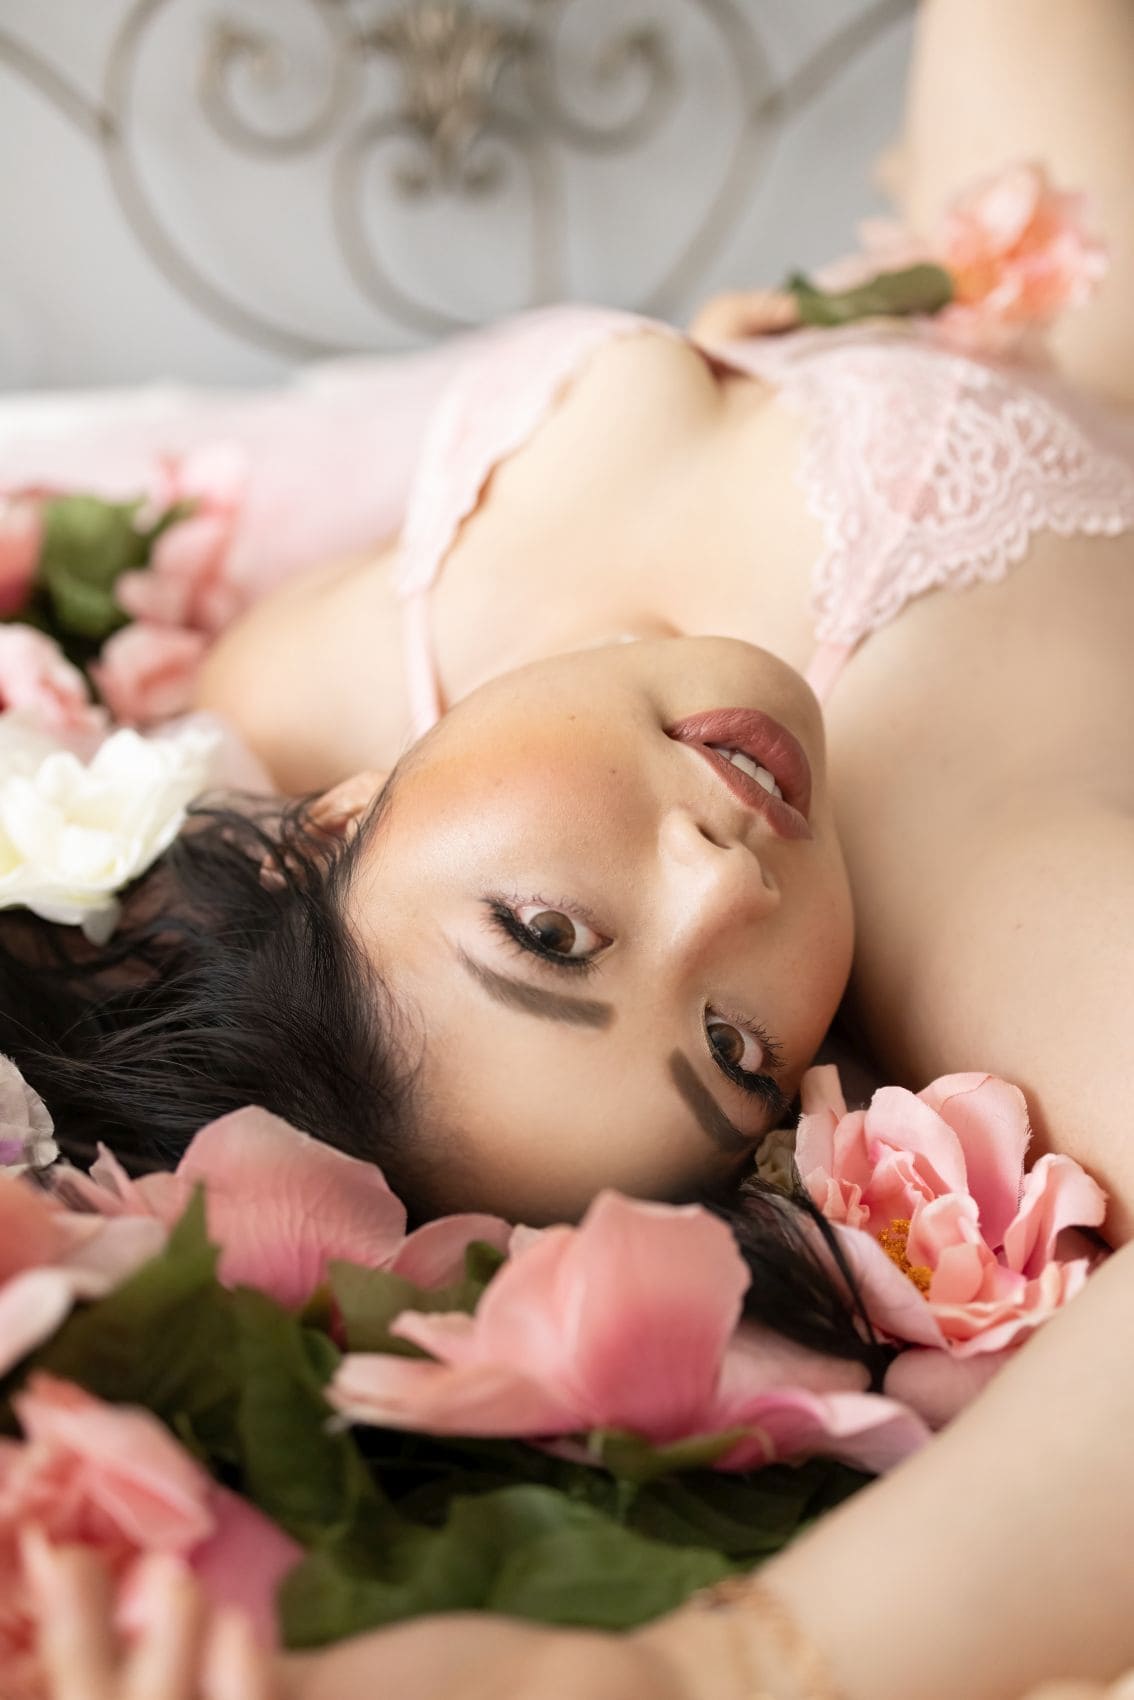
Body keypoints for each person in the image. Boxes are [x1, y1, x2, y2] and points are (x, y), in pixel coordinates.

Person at [5, 0, 1134, 1691]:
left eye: (547, 935)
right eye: (735, 1048)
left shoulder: (291, 680)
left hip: (949, 241)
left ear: (323, 821)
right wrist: (708, 1670)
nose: (724, 883)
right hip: (1090, 288)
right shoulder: (968, 862)